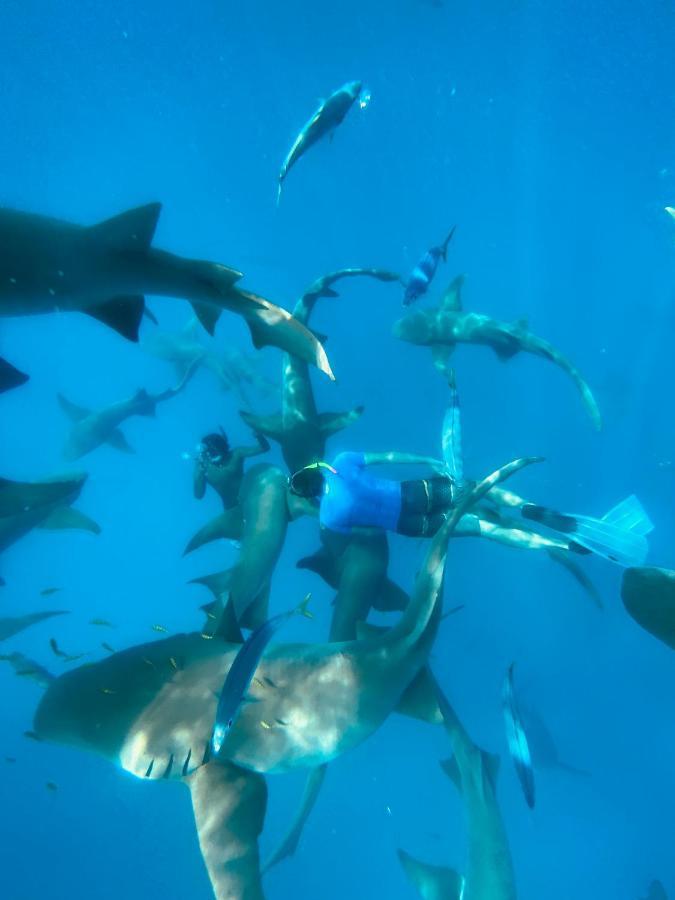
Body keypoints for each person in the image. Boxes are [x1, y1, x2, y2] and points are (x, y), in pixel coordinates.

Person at [194, 428, 269, 509]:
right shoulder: (203, 468)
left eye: (215, 451)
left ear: (223, 447)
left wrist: (259, 436)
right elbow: (198, 495)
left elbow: (264, 448)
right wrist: (199, 475)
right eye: (211, 453)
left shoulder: (236, 454)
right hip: (233, 510)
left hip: (254, 500)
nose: (215, 456)